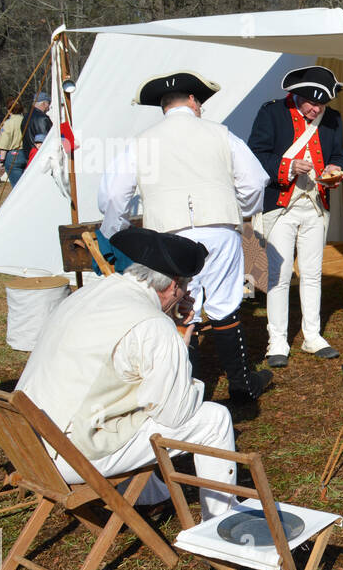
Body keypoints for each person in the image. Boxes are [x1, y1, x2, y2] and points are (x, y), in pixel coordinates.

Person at [16, 227, 241, 519]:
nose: (185, 295)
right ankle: (220, 524)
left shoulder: (92, 292)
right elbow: (176, 413)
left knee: (131, 398)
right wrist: (180, 338)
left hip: (26, 442)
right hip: (69, 455)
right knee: (214, 419)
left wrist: (170, 324)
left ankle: (149, 497)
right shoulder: (153, 327)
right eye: (185, 288)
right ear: (174, 286)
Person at [98, 71, 272, 405]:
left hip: (168, 238)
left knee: (181, 310)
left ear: (163, 107)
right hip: (219, 230)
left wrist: (116, 231)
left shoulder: (142, 141)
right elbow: (253, 182)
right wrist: (242, 213)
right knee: (225, 305)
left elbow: (113, 194)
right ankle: (242, 386)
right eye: (200, 102)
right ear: (193, 101)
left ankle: (179, 391)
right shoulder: (221, 134)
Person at [246, 66, 343, 367]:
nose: (316, 109)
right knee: (277, 275)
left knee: (312, 272)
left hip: (315, 205)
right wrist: (289, 166)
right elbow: (256, 155)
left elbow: (339, 154)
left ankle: (312, 336)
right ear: (297, 95)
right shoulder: (272, 114)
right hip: (281, 205)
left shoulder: (333, 119)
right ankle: (277, 340)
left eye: (321, 104)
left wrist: (334, 169)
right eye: (311, 102)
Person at [0, 101, 26, 186]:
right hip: (27, 154)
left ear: (9, 110)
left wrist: (1, 160)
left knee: (17, 187)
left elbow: (4, 143)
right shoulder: (26, 120)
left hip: (13, 155)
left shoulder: (8, 123)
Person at [21, 92, 52, 164]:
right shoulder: (43, 118)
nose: (48, 107)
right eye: (48, 104)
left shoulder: (25, 117)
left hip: (29, 155)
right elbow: (47, 138)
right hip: (40, 156)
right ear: (44, 104)